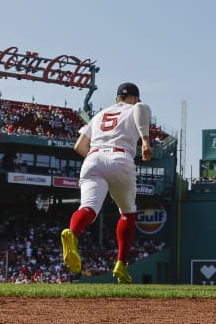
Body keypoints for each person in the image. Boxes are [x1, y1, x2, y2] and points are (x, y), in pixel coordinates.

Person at [61, 82, 152, 284]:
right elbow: (142, 109)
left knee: (88, 209)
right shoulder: (137, 107)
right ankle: (121, 263)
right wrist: (145, 143)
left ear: (116, 98)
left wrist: (98, 158)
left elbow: (79, 146)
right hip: (120, 158)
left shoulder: (99, 115)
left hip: (92, 158)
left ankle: (72, 233)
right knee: (127, 213)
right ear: (135, 98)